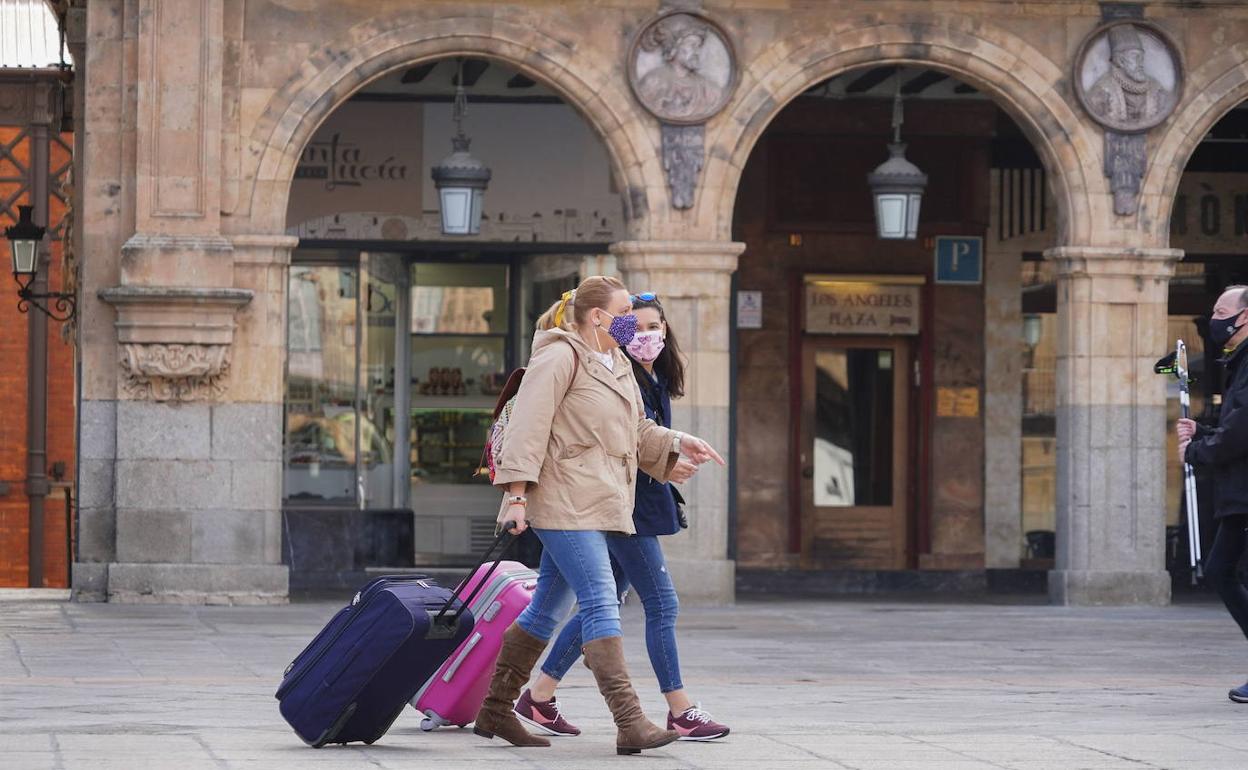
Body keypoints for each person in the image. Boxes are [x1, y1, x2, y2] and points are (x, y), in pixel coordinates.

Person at [472, 276, 725, 754]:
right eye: (625, 312)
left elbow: (635, 429)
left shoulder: (615, 363)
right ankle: (630, 721)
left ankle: (496, 710)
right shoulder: (558, 355)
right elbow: (528, 428)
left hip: (602, 500)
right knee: (600, 595)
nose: (632, 321)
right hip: (562, 500)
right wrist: (518, 497)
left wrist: (675, 444)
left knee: (547, 607)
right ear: (598, 317)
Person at [1177, 285, 1248, 703]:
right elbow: (1235, 424)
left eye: (1222, 311)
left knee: (1221, 569)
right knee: (1221, 570)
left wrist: (1198, 451)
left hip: (1244, 493)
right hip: (1240, 492)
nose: (1215, 318)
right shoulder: (1239, 363)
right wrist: (1202, 432)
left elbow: (1242, 432)